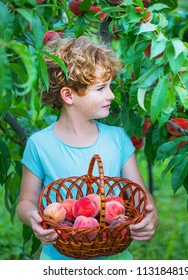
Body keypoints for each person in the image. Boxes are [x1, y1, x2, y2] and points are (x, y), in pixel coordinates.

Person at [17, 35, 159, 260]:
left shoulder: (117, 138)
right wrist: (32, 216)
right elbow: (26, 201)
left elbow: (139, 194)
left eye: (109, 86)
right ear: (68, 95)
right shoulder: (40, 145)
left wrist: (151, 216)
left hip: (113, 258)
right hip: (60, 260)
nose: (111, 95)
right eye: (101, 88)